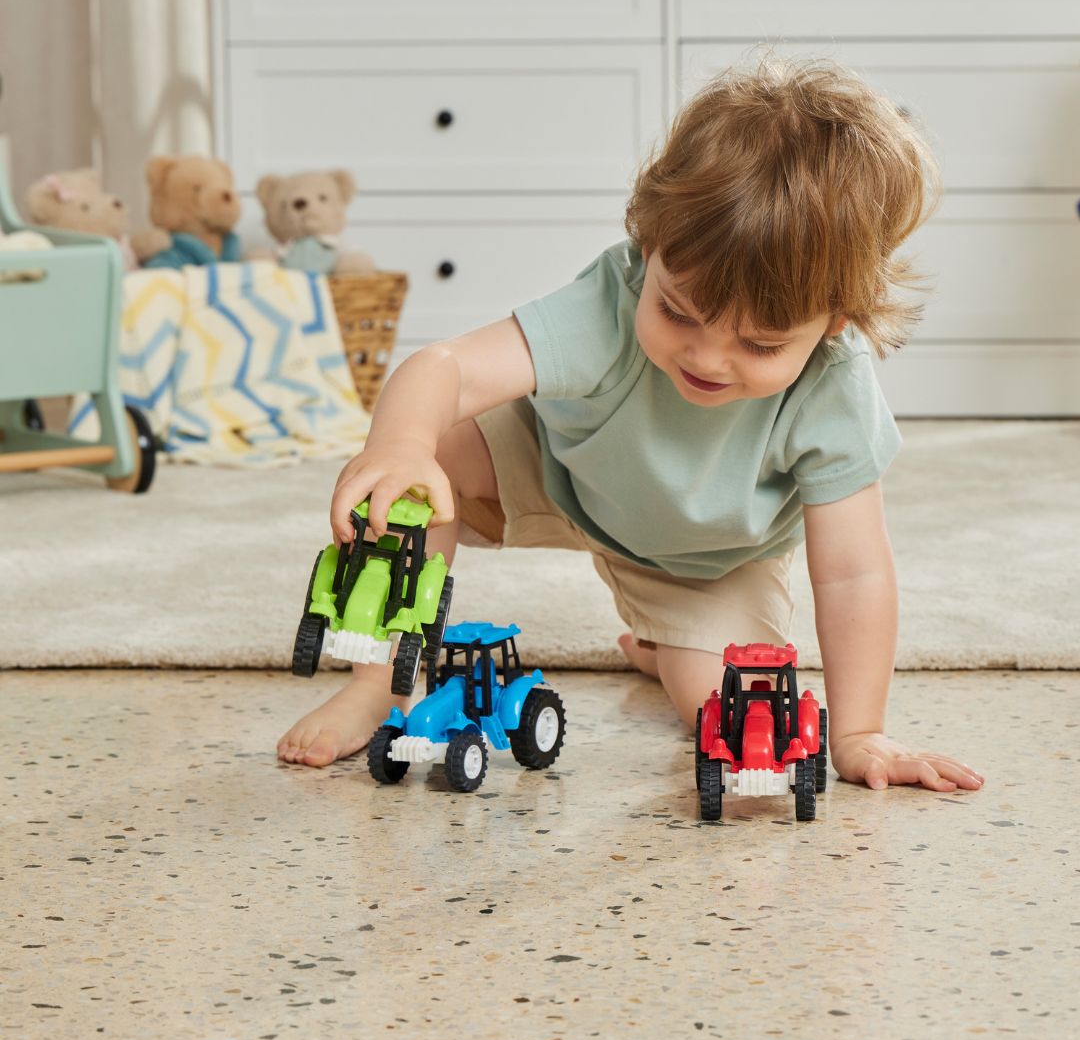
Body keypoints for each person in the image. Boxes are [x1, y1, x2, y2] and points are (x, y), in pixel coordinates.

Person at [278, 58, 984, 795]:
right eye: (677, 311)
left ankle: (664, 645)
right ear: (649, 247)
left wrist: (860, 733)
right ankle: (379, 683)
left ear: (836, 320)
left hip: (705, 564)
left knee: (725, 718)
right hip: (558, 468)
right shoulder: (610, 302)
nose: (707, 357)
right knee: (423, 469)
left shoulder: (835, 387)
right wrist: (399, 446)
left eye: (759, 344)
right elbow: (445, 367)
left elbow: (854, 572)